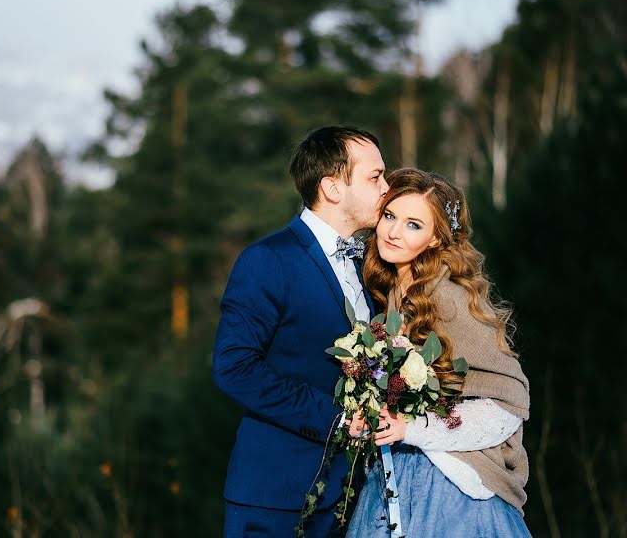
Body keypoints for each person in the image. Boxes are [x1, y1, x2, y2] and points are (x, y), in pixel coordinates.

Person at [213, 125, 389, 537]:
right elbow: (234, 368)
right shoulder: (267, 260)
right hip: (277, 497)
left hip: (356, 499)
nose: (386, 187)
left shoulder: (372, 269)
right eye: (375, 176)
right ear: (332, 187)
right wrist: (336, 418)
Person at [346, 168, 531, 538]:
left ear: (434, 240)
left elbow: (509, 403)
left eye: (414, 224)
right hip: (396, 475)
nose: (393, 231)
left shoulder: (447, 295)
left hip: (450, 488)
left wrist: (412, 427)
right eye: (389, 216)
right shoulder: (390, 291)